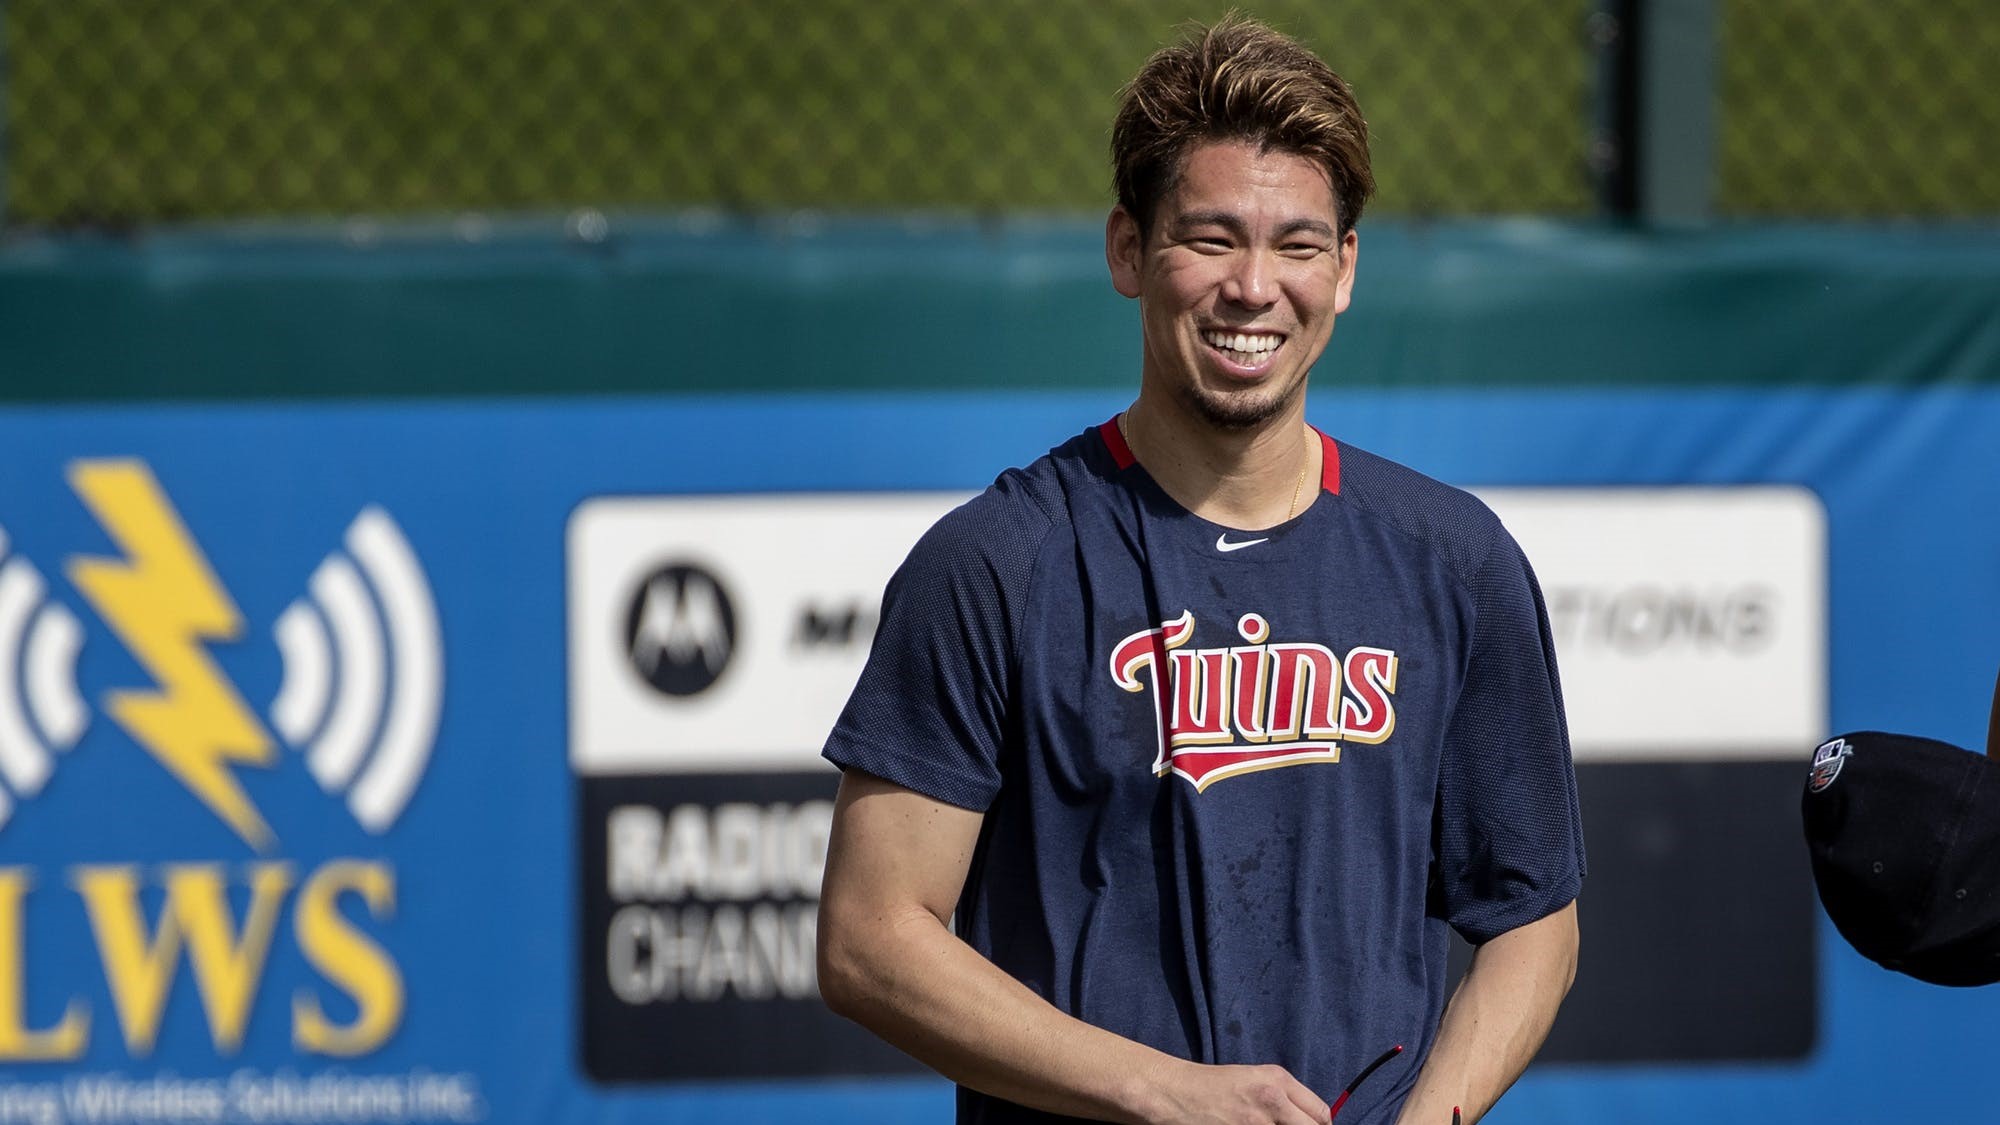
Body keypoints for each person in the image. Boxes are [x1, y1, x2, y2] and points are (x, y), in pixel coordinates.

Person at [817, 14, 1582, 1124]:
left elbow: (1530, 920)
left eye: (1298, 244)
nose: (1253, 287)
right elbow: (868, 941)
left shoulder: (1452, 564)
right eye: (1211, 239)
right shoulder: (994, 564)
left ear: (1346, 269)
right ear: (1128, 251)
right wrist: (1161, 1094)